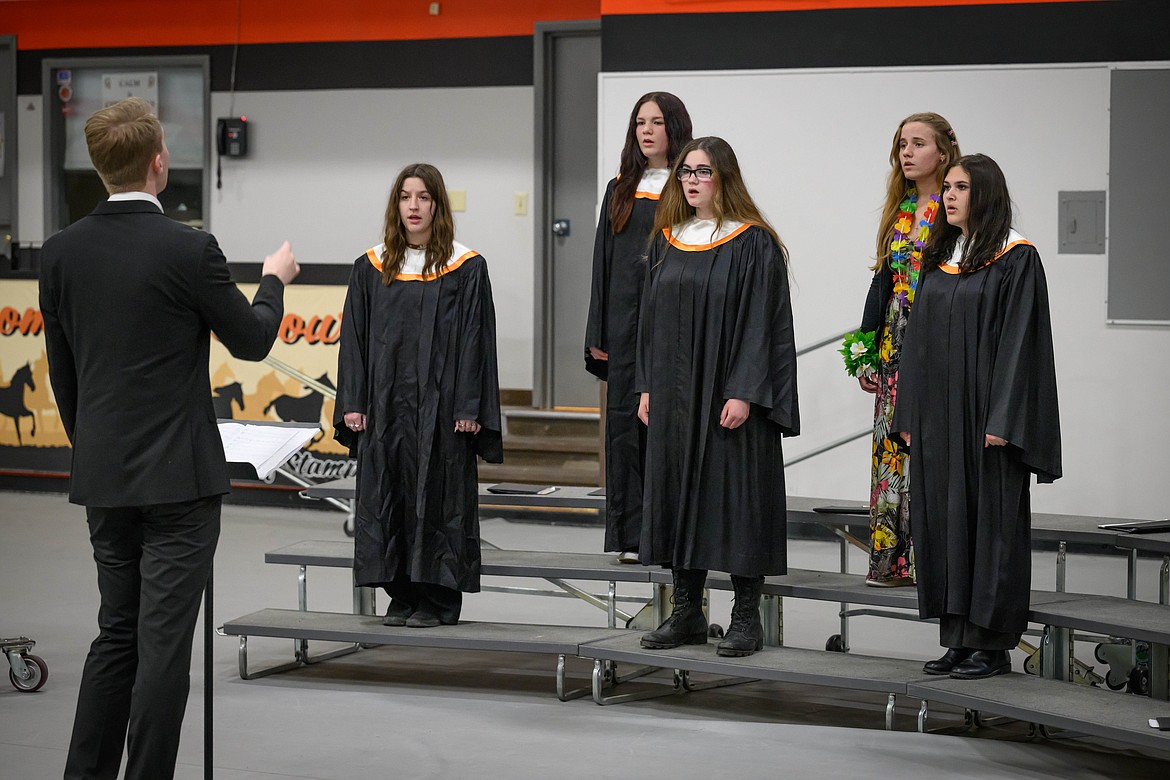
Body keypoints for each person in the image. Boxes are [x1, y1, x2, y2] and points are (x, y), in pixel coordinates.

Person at [40, 97, 299, 780]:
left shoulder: (61, 253)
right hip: (180, 482)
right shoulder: (189, 248)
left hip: (106, 476)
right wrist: (273, 280)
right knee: (162, 648)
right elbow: (251, 340)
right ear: (160, 163)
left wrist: (96, 448)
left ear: (98, 167)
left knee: (115, 634)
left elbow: (63, 378)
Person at [893, 153, 1061, 679]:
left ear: (984, 195)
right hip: (941, 420)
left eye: (960, 187)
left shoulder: (1016, 257)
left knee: (989, 527)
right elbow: (918, 343)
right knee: (946, 523)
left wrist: (1004, 419)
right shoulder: (942, 255)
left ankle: (991, 643)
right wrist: (911, 412)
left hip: (988, 422)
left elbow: (1020, 346)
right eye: (947, 187)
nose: (948, 195)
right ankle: (958, 637)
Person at [636, 136, 799, 658]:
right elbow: (650, 322)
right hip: (678, 395)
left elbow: (763, 324)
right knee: (681, 495)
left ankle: (745, 617)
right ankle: (686, 610)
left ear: (724, 177)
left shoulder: (754, 243)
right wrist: (646, 384)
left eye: (703, 172)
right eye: (686, 172)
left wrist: (746, 391)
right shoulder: (668, 240)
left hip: (730, 398)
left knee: (736, 501)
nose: (691, 181)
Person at [335, 163, 502, 629]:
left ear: (437, 205)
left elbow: (476, 342)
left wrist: (470, 406)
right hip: (386, 409)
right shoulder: (370, 268)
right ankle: (402, 593)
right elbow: (354, 341)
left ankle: (438, 599)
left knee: (439, 494)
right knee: (390, 494)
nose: (414, 206)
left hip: (443, 413)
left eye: (424, 197)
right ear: (396, 205)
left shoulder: (465, 267)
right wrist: (353, 402)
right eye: (406, 197)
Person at [853, 112, 961, 588]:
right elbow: (883, 280)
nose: (908, 152)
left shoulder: (954, 210)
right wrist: (865, 348)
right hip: (895, 341)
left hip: (935, 340)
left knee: (928, 449)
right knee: (891, 451)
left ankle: (928, 561)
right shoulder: (899, 208)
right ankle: (890, 560)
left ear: (943, 151)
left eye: (919, 143)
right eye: (902, 144)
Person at [585, 91, 693, 564]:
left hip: (669, 325)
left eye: (656, 122)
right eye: (639, 123)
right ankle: (630, 534)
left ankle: (667, 533)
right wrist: (599, 334)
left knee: (664, 427)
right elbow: (601, 264)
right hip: (623, 327)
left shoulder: (687, 187)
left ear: (675, 127)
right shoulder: (620, 188)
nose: (646, 131)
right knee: (625, 430)